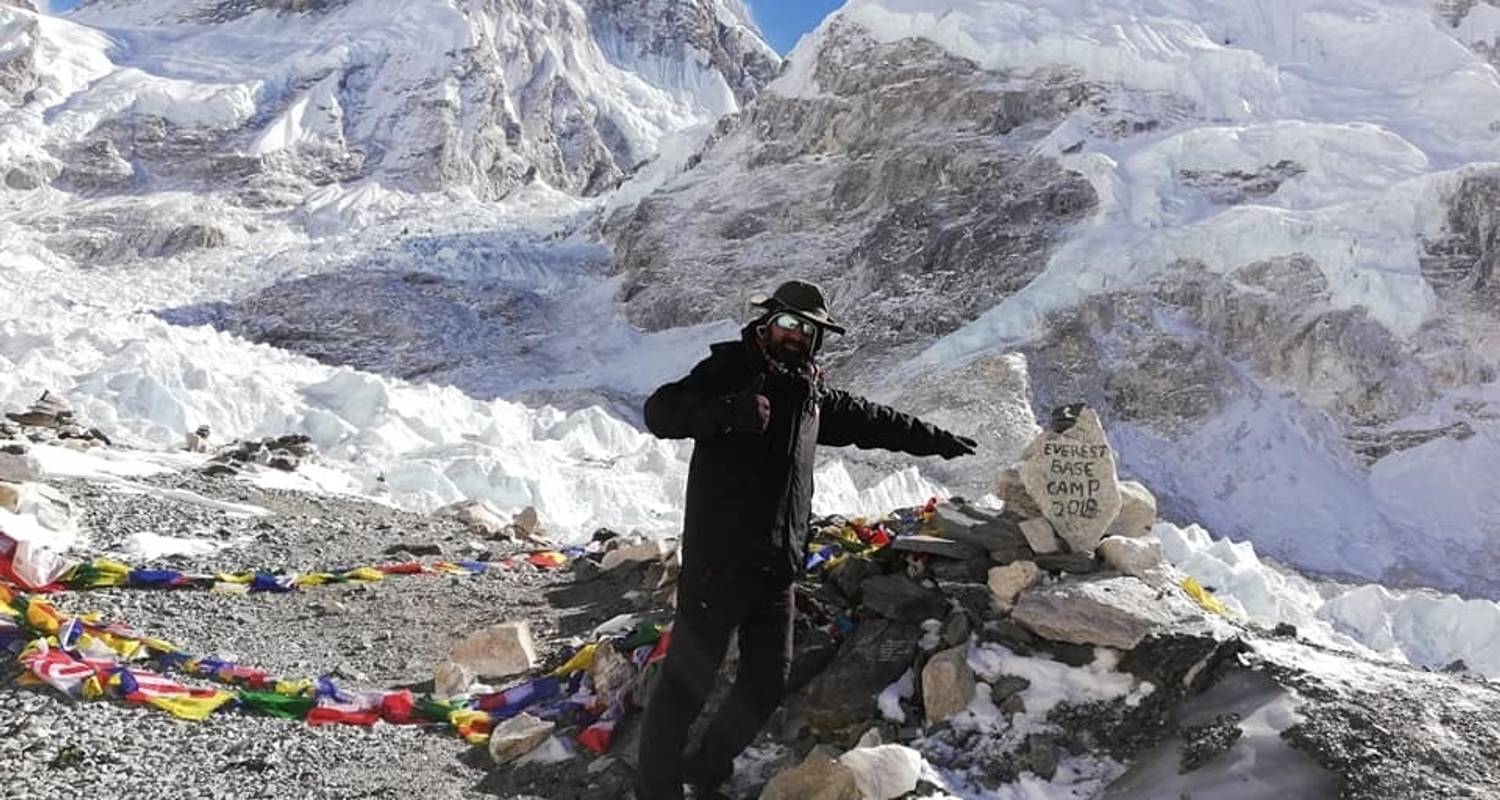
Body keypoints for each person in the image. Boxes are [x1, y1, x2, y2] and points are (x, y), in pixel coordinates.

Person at [634, 279, 978, 799]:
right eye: (790, 324)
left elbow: (874, 422)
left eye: (808, 329)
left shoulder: (811, 394)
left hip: (776, 571)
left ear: (817, 339)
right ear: (767, 323)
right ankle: (655, 790)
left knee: (767, 680)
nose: (796, 335)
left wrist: (937, 440)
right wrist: (725, 413)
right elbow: (660, 412)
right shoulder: (729, 371)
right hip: (717, 565)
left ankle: (706, 767)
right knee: (687, 685)